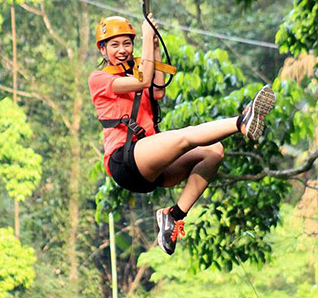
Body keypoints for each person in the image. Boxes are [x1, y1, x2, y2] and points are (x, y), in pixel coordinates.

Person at [88, 14, 276, 255]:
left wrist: (153, 47)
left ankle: (173, 216)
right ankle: (241, 121)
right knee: (184, 137)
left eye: (127, 43)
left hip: (150, 166)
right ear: (103, 50)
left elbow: (156, 91)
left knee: (214, 152)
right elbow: (143, 81)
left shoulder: (136, 69)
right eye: (114, 45)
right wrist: (146, 35)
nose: (122, 50)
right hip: (124, 161)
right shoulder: (99, 79)